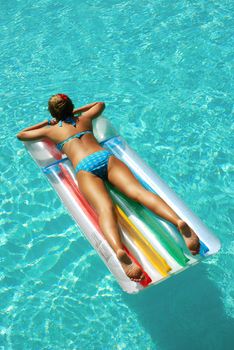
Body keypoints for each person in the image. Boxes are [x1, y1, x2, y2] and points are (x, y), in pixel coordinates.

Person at [17, 93, 200, 282]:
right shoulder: (85, 118)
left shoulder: (51, 130)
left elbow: (21, 135)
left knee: (105, 210)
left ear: (52, 112)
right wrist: (75, 112)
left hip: (84, 168)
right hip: (105, 157)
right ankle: (178, 222)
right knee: (138, 192)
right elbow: (99, 104)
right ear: (71, 106)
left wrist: (50, 121)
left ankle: (120, 252)